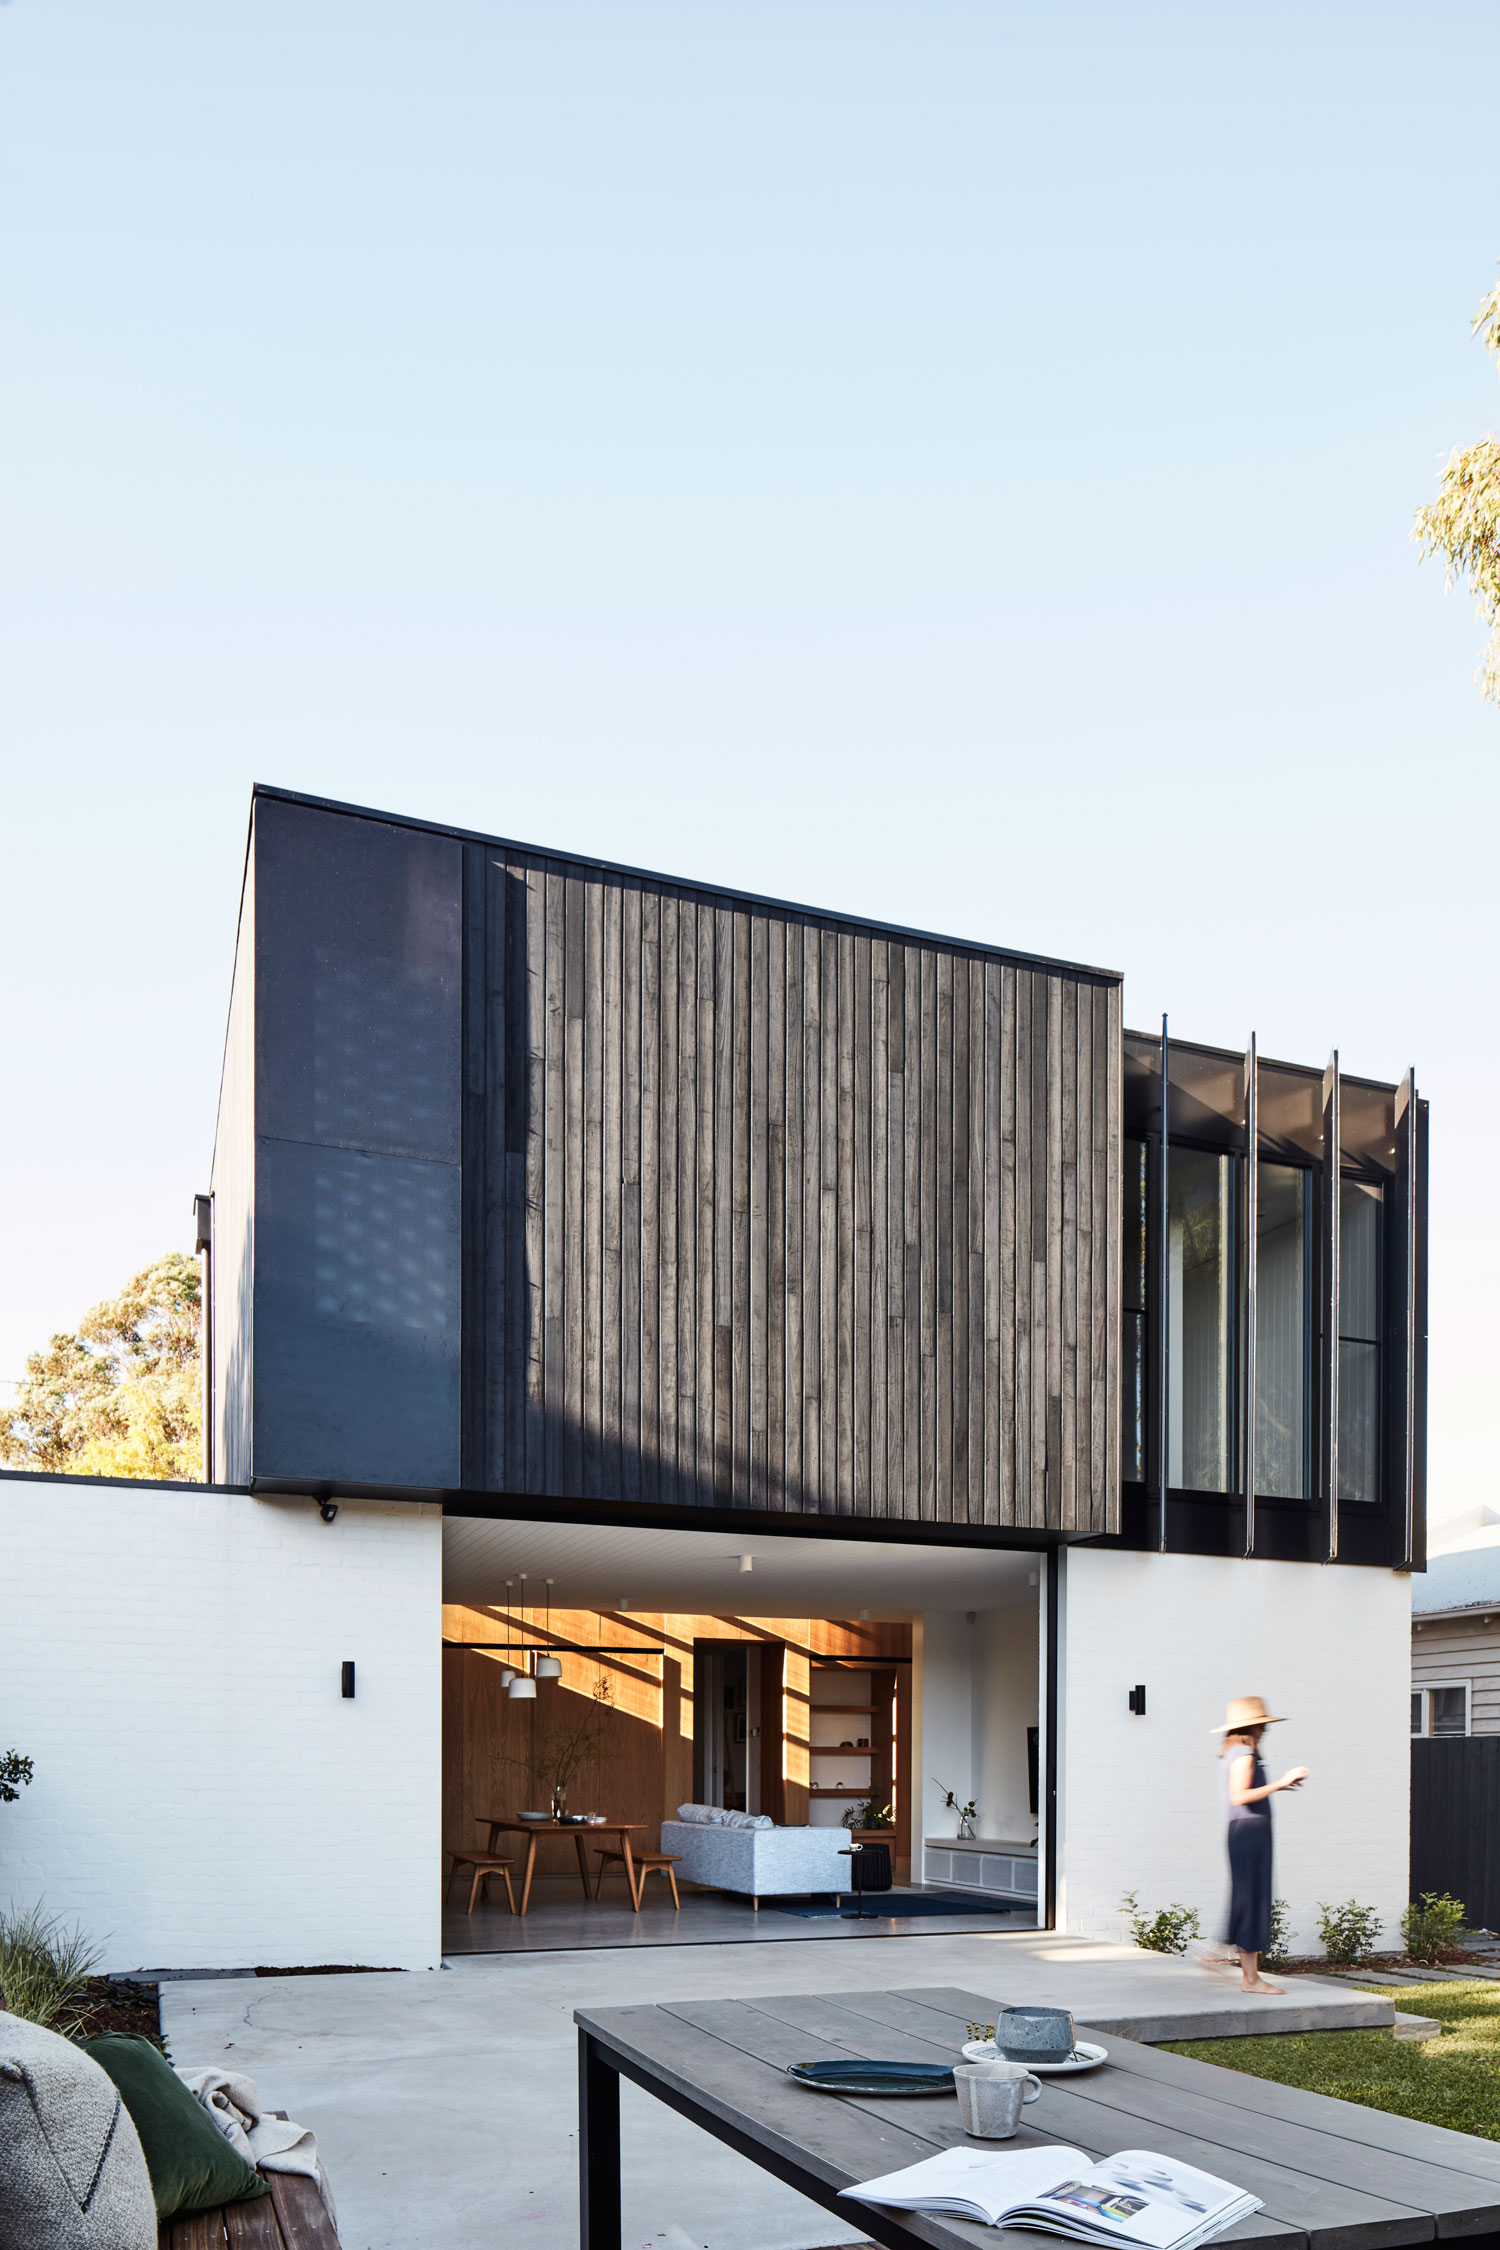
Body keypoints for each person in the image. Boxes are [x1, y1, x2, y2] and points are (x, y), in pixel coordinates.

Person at [1211, 1695, 1308, 1995]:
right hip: (1250, 1832)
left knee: (1248, 1898)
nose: (1265, 1731)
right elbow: (1239, 1795)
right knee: (1252, 1899)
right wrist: (1281, 1782)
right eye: (1261, 1726)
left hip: (1246, 1832)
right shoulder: (1244, 1755)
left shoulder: (1235, 1752)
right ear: (1251, 1727)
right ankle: (1249, 1978)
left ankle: (1242, 1971)